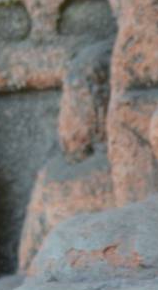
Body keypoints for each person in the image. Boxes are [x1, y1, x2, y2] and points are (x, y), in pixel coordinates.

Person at [18, 43, 114, 270]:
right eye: (67, 98)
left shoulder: (117, 169)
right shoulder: (50, 174)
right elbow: (28, 260)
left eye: (79, 95)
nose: (70, 109)